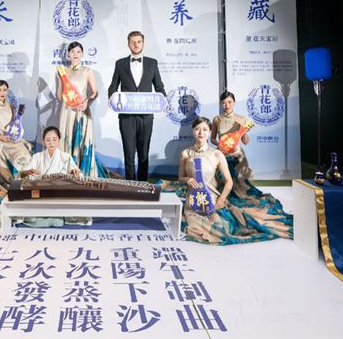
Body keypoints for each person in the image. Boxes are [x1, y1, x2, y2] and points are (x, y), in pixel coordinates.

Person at [178, 116, 292, 245]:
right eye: (197, 129)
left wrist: (220, 200)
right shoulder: (185, 154)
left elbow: (229, 182)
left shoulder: (217, 154)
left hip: (212, 199)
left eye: (204, 129)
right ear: (193, 131)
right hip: (193, 201)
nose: (201, 133)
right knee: (196, 226)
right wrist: (187, 179)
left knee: (221, 227)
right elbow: (180, 178)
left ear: (210, 132)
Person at [107, 31, 166, 181]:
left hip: (146, 116)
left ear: (143, 43)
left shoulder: (152, 63)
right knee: (128, 154)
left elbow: (159, 86)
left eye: (139, 41)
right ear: (128, 44)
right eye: (133, 42)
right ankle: (130, 185)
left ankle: (143, 185)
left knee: (144, 153)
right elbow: (113, 86)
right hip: (126, 117)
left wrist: (164, 101)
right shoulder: (120, 64)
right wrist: (112, 98)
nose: (136, 44)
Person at [56, 42, 108, 178]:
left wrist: (87, 102)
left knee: (81, 141)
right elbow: (60, 97)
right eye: (72, 51)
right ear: (68, 54)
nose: (75, 54)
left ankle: (83, 172)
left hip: (81, 111)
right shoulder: (62, 71)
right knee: (66, 139)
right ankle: (67, 173)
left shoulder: (87, 71)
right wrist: (60, 80)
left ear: (82, 54)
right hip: (66, 111)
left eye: (78, 51)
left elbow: (95, 92)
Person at [0, 79, 32, 192]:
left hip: (10, 138)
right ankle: (6, 183)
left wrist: (14, 133)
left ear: (8, 91)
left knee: (24, 152)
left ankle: (21, 181)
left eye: (4, 90)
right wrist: (0, 137)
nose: (2, 92)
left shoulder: (11, 106)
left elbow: (13, 125)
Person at [211, 90, 254, 199]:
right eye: (224, 103)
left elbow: (245, 142)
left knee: (239, 184)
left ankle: (237, 192)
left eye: (229, 102)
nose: (227, 105)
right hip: (221, 152)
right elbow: (212, 138)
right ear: (221, 104)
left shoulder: (241, 119)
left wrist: (243, 129)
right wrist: (220, 144)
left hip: (236, 153)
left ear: (234, 102)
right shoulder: (217, 119)